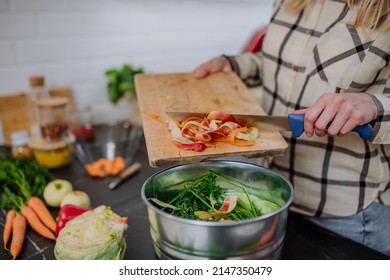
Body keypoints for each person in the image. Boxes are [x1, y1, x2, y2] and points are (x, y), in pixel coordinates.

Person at [193, 0, 390, 256]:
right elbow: (277, 63)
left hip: (347, 217)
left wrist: (373, 106)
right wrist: (235, 66)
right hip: (266, 194)